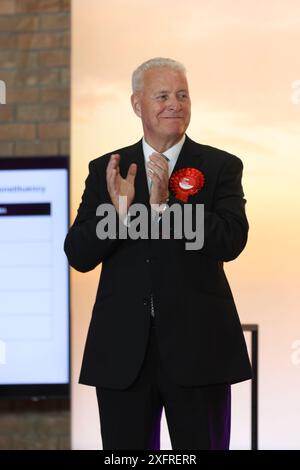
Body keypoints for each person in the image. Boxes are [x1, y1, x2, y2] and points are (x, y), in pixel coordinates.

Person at [64, 57, 252, 450]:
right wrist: (116, 216)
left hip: (200, 350)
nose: (175, 104)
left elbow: (232, 240)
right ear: (137, 105)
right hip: (122, 355)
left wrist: (168, 206)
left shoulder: (220, 166)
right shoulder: (109, 168)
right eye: (163, 95)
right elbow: (78, 254)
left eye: (182, 95)